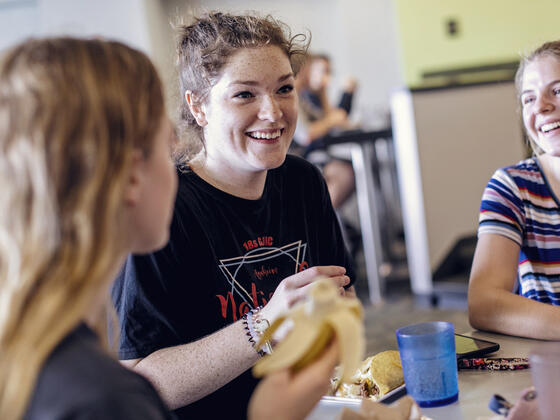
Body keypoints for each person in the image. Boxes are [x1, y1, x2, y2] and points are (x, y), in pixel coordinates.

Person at [0, 37, 340, 420]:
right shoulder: (102, 397)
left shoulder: (44, 357)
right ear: (131, 176)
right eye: (167, 145)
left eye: (284, 89)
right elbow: (138, 380)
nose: (178, 163)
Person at [111, 12, 355, 420]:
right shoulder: (163, 206)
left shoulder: (303, 183)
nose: (274, 113)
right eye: (245, 95)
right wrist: (264, 326)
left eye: (284, 89)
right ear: (199, 106)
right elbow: (139, 385)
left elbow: (344, 300)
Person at [468, 40, 560, 340]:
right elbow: (484, 303)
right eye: (528, 99)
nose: (542, 106)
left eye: (557, 90)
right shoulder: (513, 187)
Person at [293, 53, 356, 209]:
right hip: (300, 156)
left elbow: (334, 118)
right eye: (321, 70)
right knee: (345, 174)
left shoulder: (310, 98)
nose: (325, 77)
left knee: (351, 170)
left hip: (313, 155)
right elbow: (306, 134)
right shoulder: (295, 96)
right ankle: (319, 219)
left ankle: (322, 220)